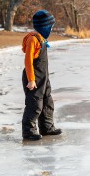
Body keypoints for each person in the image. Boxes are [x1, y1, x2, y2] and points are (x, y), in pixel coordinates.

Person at [21, 10, 62, 140]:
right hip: (32, 77)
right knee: (35, 105)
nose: (51, 29)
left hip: (43, 77)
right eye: (50, 27)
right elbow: (28, 61)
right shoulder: (33, 39)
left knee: (47, 102)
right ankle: (29, 131)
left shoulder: (41, 39)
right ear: (44, 27)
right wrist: (31, 80)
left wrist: (46, 79)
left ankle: (47, 127)